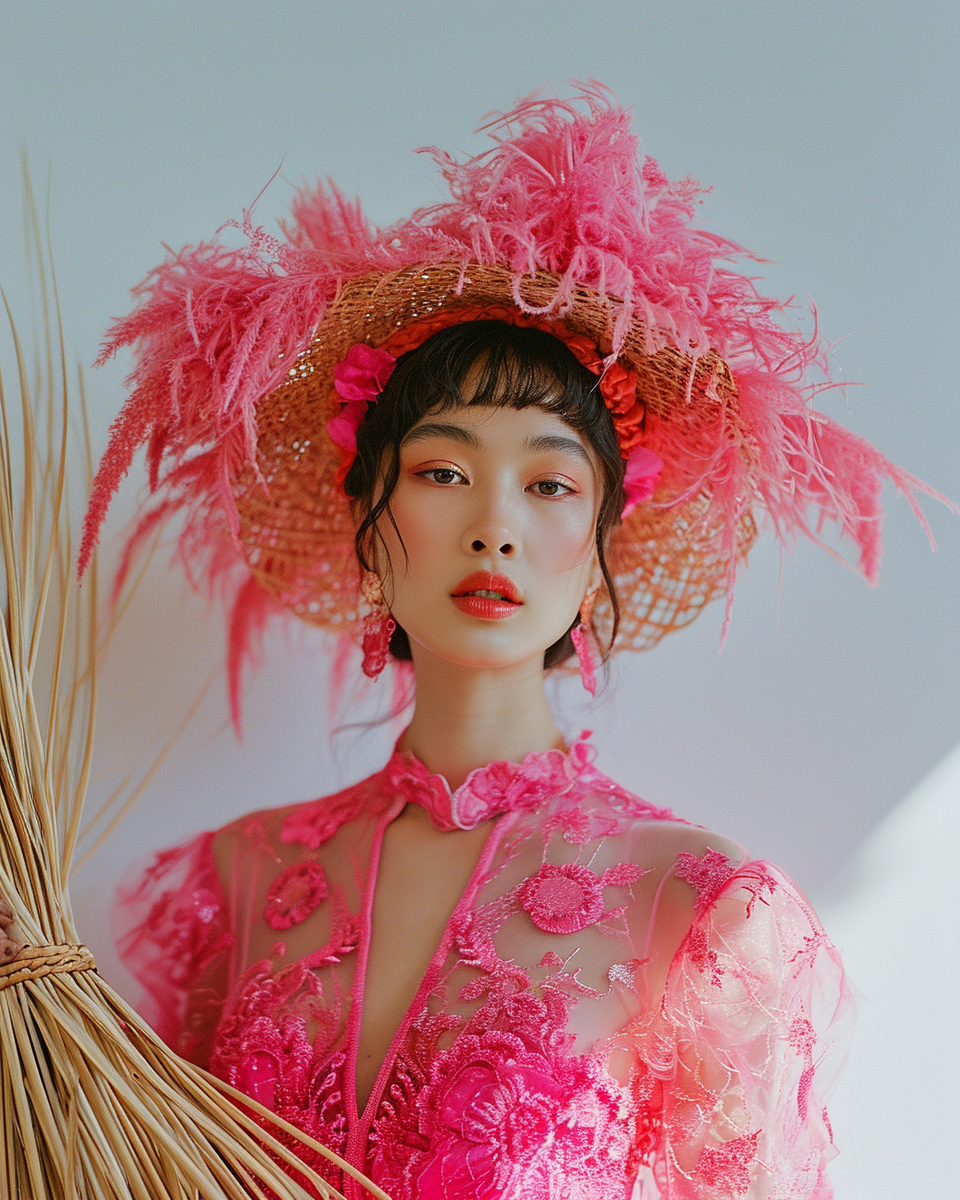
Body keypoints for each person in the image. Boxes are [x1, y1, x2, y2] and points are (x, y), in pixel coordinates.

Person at [78, 85, 923, 1199]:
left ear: (596, 549)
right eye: (441, 473)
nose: (494, 525)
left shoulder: (701, 907)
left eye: (548, 482)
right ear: (371, 537)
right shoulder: (230, 888)